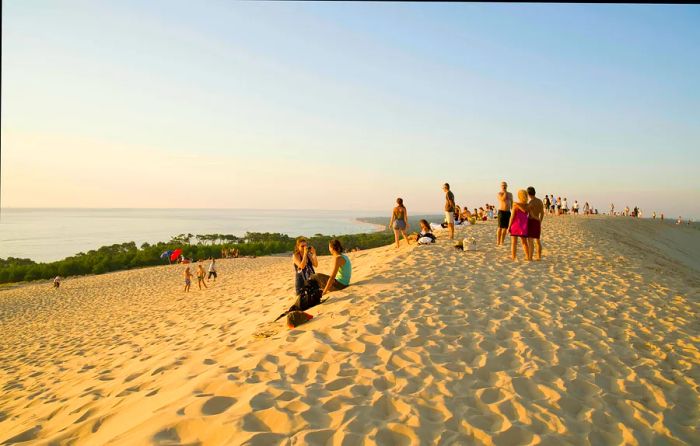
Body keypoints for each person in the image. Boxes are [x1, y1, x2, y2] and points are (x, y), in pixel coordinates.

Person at [508, 189, 531, 261]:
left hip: (515, 225)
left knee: (514, 243)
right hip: (524, 226)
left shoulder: (515, 205)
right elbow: (526, 213)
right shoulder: (528, 205)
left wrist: (509, 226)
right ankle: (527, 256)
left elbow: (512, 217)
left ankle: (514, 257)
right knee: (524, 242)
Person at [526, 187, 544, 261]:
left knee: (530, 241)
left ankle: (530, 258)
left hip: (531, 221)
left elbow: (529, 213)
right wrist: (540, 221)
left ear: (528, 194)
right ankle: (539, 257)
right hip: (537, 221)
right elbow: (542, 213)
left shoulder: (530, 203)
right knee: (537, 240)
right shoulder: (540, 201)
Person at [496, 181, 513, 246]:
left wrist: (512, 209)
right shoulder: (499, 193)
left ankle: (502, 241)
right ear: (501, 186)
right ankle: (498, 241)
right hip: (501, 211)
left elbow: (511, 202)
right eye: (503, 185)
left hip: (508, 212)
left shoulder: (510, 194)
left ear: (507, 186)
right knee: (500, 227)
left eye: (505, 185)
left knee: (505, 228)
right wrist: (505, 192)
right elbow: (503, 199)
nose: (504, 186)